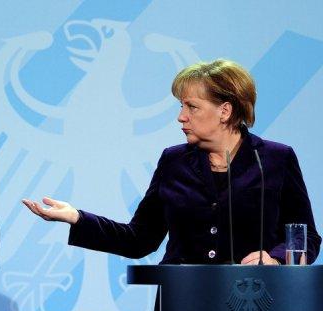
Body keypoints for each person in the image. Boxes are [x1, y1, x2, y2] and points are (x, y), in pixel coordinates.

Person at [23, 59, 321, 265]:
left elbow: (306, 238)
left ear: (225, 111)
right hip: (184, 301)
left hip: (255, 301)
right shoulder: (173, 161)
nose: (181, 117)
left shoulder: (275, 158)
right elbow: (139, 239)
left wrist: (275, 258)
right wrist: (77, 217)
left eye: (191, 107)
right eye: (181, 106)